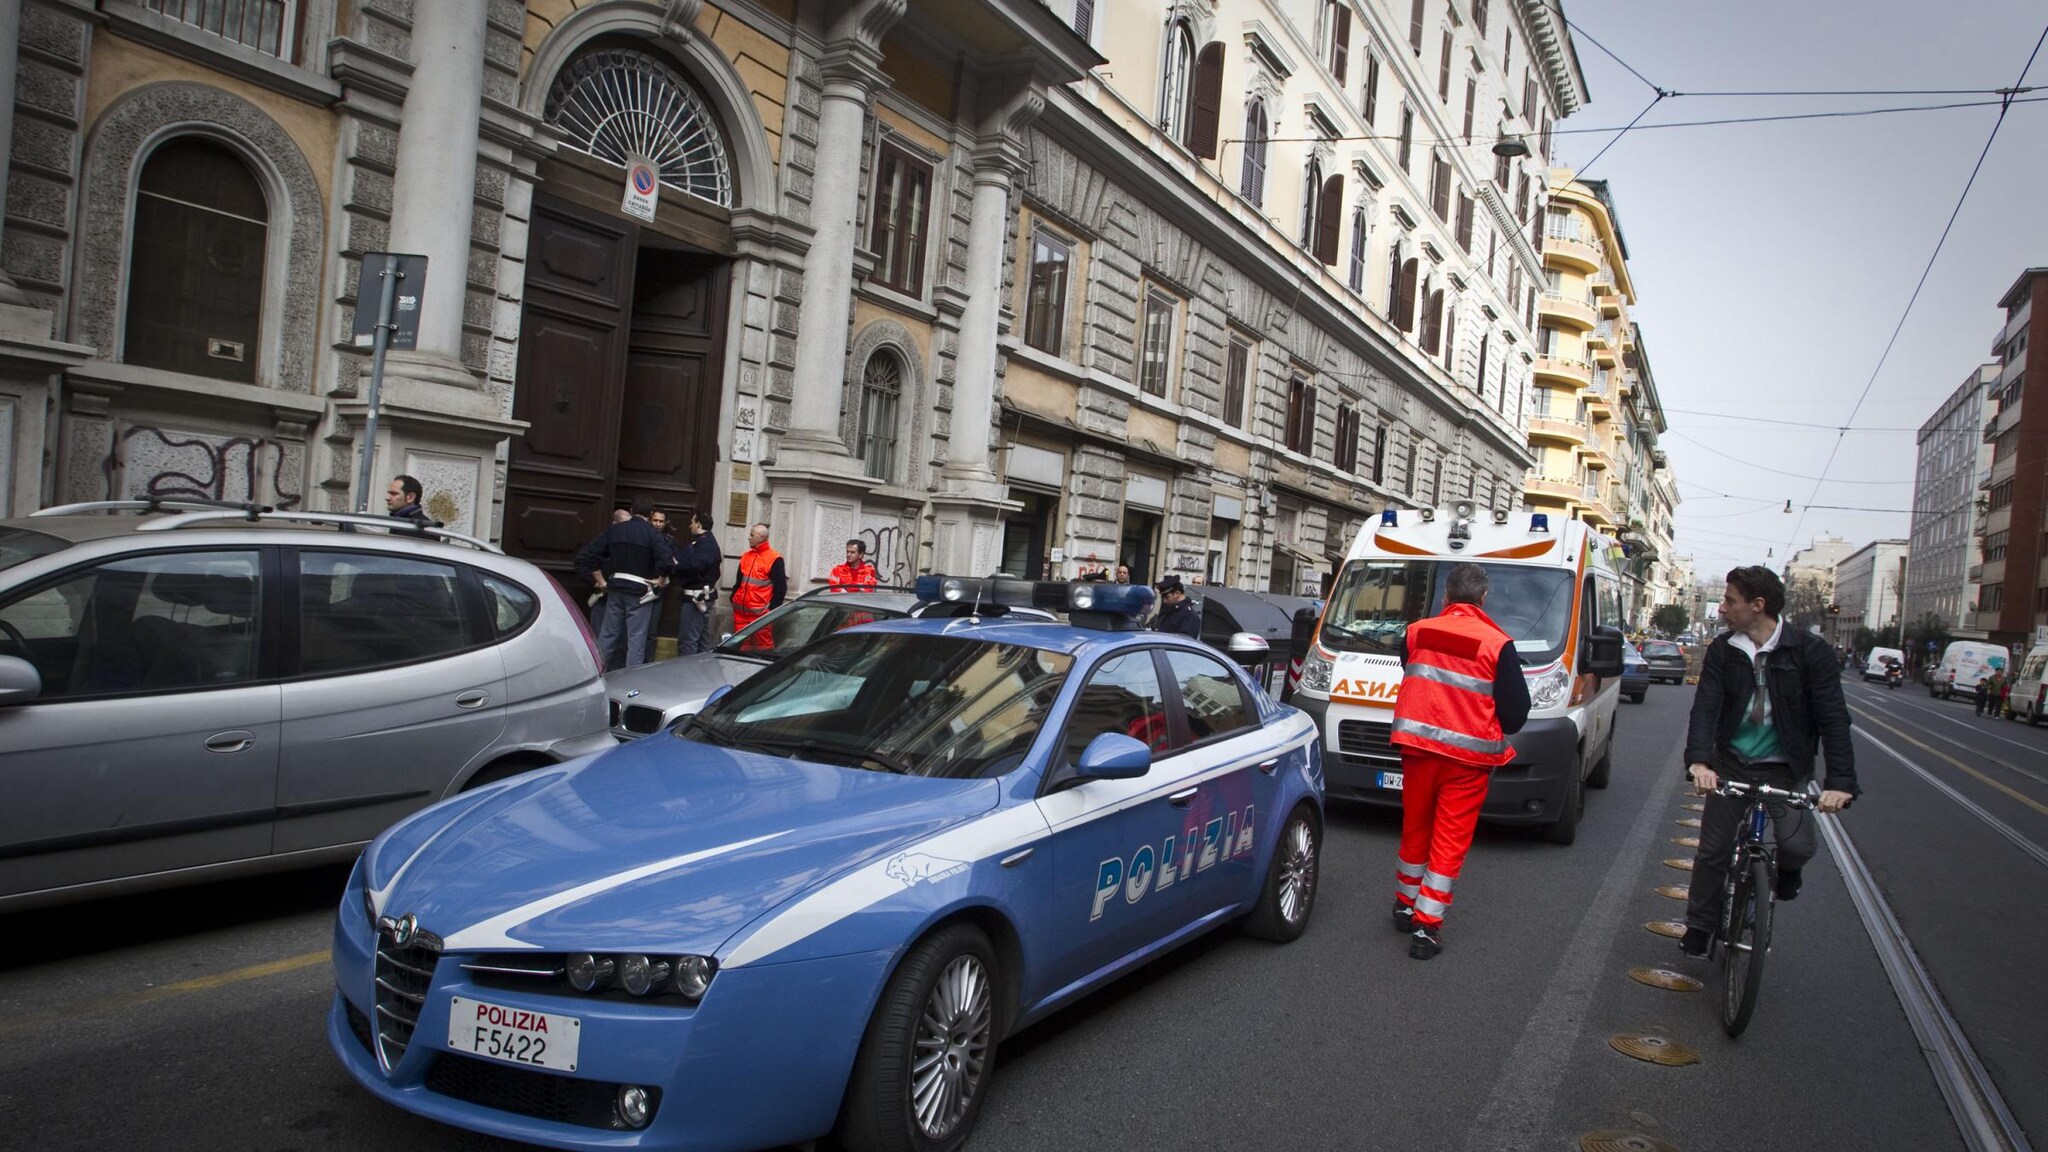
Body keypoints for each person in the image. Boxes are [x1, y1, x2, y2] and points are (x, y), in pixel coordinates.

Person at [1680, 566, 1857, 959]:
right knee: (1713, 851)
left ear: (1757, 605)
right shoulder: (1724, 650)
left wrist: (1840, 782)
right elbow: (1706, 707)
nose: (1722, 608)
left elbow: (1833, 718)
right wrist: (1700, 763)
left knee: (1797, 846)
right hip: (1732, 763)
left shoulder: (1811, 653)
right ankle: (1700, 925)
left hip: (1785, 770)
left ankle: (1787, 871)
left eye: (1730, 601)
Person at [1388, 563, 1531, 961]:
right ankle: (1426, 928)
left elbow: (1415, 673)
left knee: (1416, 826)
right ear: (1483, 598)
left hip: (1418, 749)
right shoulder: (1498, 644)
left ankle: (1405, 904)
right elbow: (1516, 712)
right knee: (1449, 839)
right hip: (1466, 760)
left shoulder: (1417, 632)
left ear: (1446, 596)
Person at [573, 496, 674, 671]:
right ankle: (631, 678)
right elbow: (667, 562)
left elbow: (589, 556)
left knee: (608, 635)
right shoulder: (652, 534)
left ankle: (597, 672)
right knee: (636, 639)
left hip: (616, 589)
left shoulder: (616, 530)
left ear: (632, 511)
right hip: (640, 592)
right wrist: (661, 579)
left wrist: (600, 580)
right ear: (651, 514)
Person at [671, 512, 723, 656]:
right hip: (701, 596)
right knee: (702, 641)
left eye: (692, 522)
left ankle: (687, 670)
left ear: (698, 524)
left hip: (696, 598)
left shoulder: (706, 544)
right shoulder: (704, 542)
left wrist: (677, 565)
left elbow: (695, 566)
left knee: (688, 641)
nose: (690, 526)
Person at [731, 522, 787, 651]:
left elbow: (780, 590)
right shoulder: (746, 556)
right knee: (740, 648)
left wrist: (770, 611)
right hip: (740, 614)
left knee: (764, 648)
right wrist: (733, 597)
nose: (748, 537)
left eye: (752, 535)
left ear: (761, 538)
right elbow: (738, 582)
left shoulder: (775, 559)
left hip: (760, 616)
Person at [1151, 574, 1202, 639]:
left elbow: (1185, 642)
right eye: (1163, 598)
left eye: (1167, 597)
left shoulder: (1189, 616)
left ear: (1177, 593)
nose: (1164, 601)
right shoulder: (1167, 610)